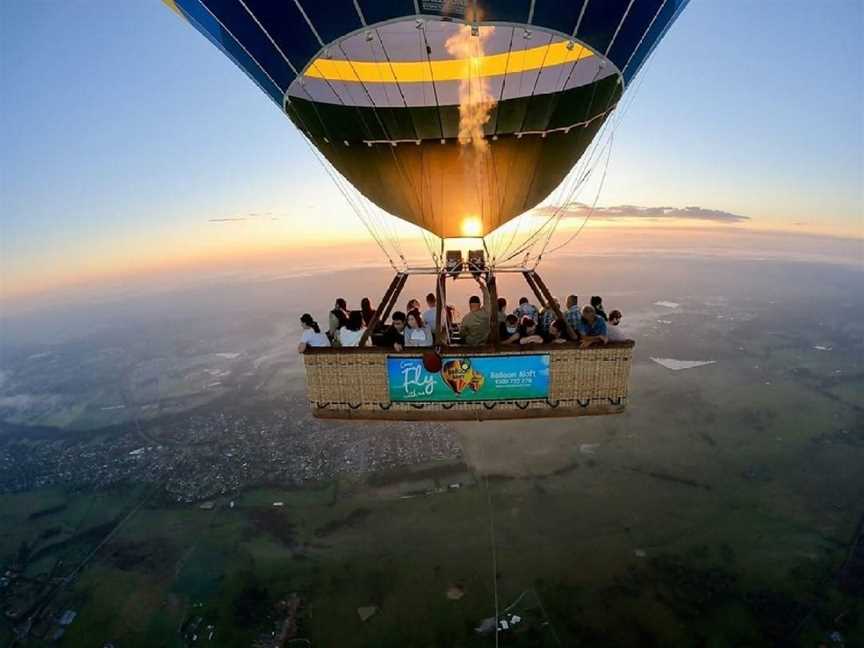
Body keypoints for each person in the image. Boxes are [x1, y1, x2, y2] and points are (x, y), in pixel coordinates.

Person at [460, 276, 491, 346]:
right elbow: (487, 296)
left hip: (471, 343)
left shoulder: (466, 319)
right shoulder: (486, 312)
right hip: (486, 341)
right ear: (480, 304)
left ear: (470, 305)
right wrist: (480, 282)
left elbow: (462, 334)